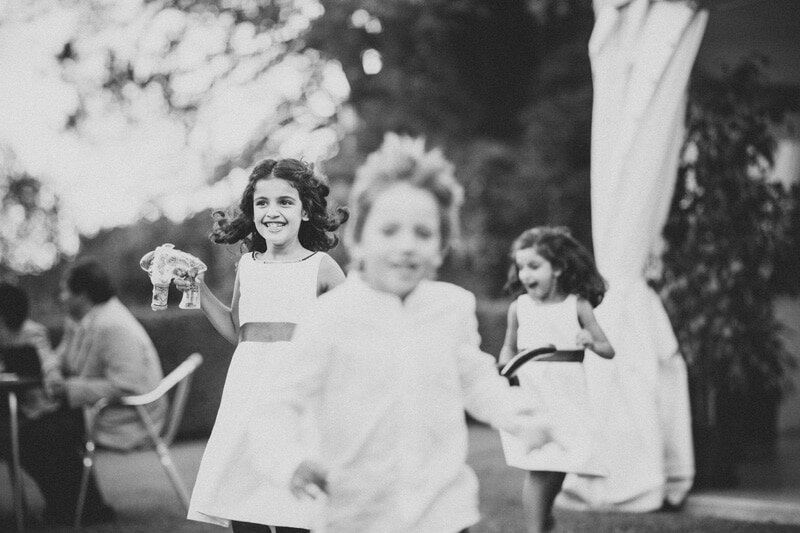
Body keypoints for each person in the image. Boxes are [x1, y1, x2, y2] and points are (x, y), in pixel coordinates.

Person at [256, 133, 554, 533]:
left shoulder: (452, 307)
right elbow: (279, 402)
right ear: (359, 240)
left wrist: (520, 417)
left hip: (442, 509)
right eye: (390, 231)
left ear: (442, 247)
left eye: (423, 233)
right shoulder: (329, 316)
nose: (407, 245)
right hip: (357, 512)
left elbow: (476, 380)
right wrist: (289, 461)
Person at [178, 158, 348, 532]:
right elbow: (238, 330)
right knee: (244, 501)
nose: (272, 212)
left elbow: (352, 336)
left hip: (296, 401)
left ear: (305, 211)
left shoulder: (321, 267)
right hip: (246, 399)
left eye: (285, 202)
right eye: (262, 203)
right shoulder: (249, 266)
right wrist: (198, 288)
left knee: (295, 508)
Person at [21, 259, 167, 526]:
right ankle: (76, 507)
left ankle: (82, 509)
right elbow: (58, 358)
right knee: (35, 429)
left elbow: (128, 384)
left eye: (65, 290)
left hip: (128, 416)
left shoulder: (113, 325)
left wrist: (68, 389)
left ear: (83, 295)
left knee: (38, 434)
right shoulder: (81, 321)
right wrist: (53, 372)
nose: (61, 297)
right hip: (97, 408)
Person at [497, 226, 615, 533]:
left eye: (534, 266)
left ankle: (545, 519)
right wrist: (506, 366)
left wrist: (591, 341)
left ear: (559, 268)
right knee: (540, 466)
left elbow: (608, 349)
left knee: (561, 463)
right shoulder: (519, 308)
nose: (525, 274)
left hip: (568, 393)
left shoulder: (577, 305)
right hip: (533, 392)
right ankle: (537, 528)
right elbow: (508, 348)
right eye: (521, 267)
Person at [0, 282, 60, 424]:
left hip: (34, 401)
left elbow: (47, 359)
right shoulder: (3, 332)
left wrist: (53, 375)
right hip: (7, 394)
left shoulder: (32, 332)